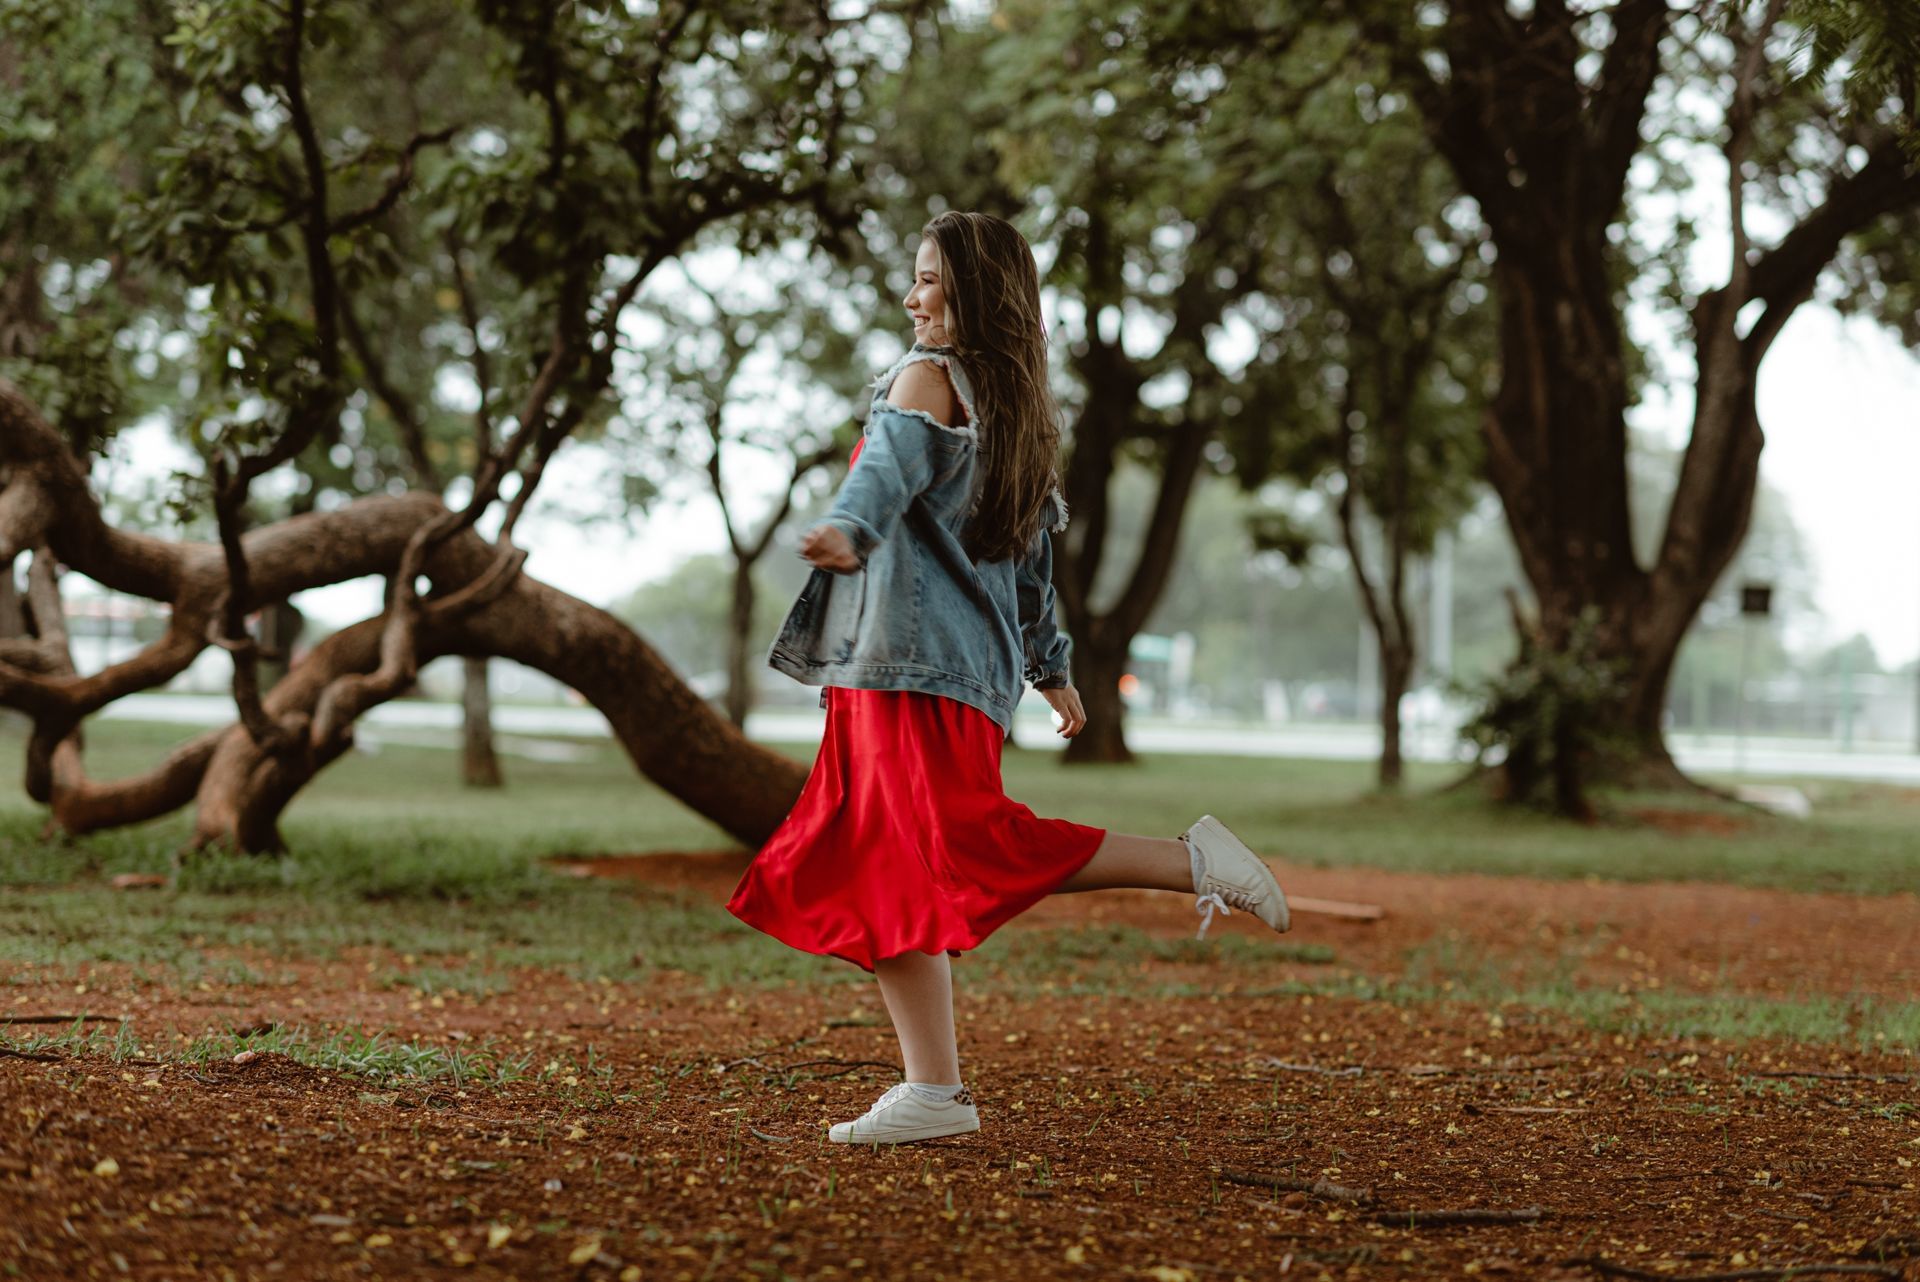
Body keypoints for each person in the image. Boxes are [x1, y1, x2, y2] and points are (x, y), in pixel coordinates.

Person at [726, 210, 1290, 1146]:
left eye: (930, 282)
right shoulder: (1014, 410)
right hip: (943, 674)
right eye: (912, 282)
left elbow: (889, 471)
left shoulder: (929, 381)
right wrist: (1050, 667)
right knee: (882, 869)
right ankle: (934, 1095)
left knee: (961, 845)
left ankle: (1191, 861)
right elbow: (1030, 563)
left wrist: (850, 531)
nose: (913, 301)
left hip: (910, 670)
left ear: (978, 292)